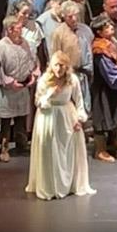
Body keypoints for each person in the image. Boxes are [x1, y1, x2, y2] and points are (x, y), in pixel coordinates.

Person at [25, 51, 96, 200]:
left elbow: (79, 100)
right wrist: (50, 93)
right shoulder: (44, 80)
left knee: (67, 152)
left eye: (62, 66)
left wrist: (80, 119)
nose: (59, 69)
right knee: (50, 151)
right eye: (56, 65)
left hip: (67, 116)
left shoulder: (72, 80)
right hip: (48, 117)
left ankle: (68, 185)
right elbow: (38, 102)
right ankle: (50, 186)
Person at [0, 17, 39, 162]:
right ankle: (4, 148)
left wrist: (32, 75)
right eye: (18, 28)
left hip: (23, 86)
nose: (21, 30)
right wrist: (9, 82)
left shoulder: (25, 43)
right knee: (6, 120)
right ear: (10, 30)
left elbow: (32, 60)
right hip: (7, 89)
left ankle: (21, 144)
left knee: (21, 118)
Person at [89, 15, 117, 162]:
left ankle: (113, 141)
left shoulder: (110, 42)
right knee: (102, 116)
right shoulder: (99, 49)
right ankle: (100, 150)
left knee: (114, 112)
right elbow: (108, 70)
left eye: (110, 25)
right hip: (103, 87)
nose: (111, 28)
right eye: (107, 27)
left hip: (113, 87)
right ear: (99, 32)